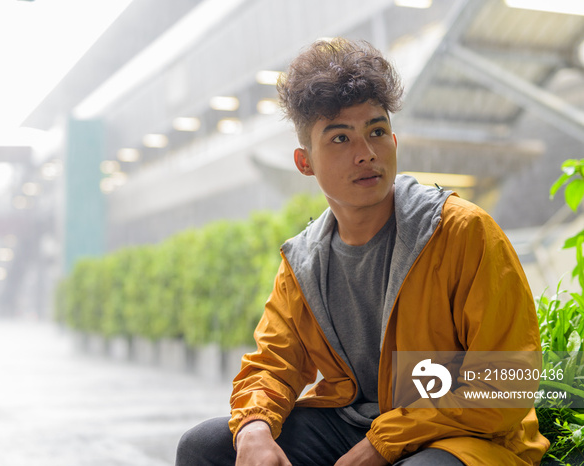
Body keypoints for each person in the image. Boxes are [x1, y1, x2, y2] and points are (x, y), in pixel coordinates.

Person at [176, 38, 549, 465]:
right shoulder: (305, 264)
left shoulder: (462, 232)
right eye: (340, 138)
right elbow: (271, 365)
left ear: (394, 139)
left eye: (376, 131)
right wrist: (253, 428)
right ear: (305, 162)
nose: (366, 154)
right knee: (204, 448)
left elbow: (507, 381)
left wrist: (381, 444)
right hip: (354, 425)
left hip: (466, 435)